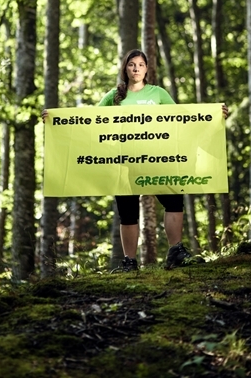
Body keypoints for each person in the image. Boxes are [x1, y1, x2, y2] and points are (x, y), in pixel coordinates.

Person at [97, 48, 229, 272]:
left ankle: (175, 252)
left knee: (174, 199)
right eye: (131, 64)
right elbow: (90, 121)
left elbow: (182, 119)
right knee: (127, 211)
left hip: (157, 159)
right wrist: (55, 120)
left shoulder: (157, 93)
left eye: (140, 64)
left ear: (147, 68)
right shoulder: (114, 96)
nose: (136, 68)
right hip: (125, 160)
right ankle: (129, 262)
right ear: (125, 69)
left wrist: (214, 116)